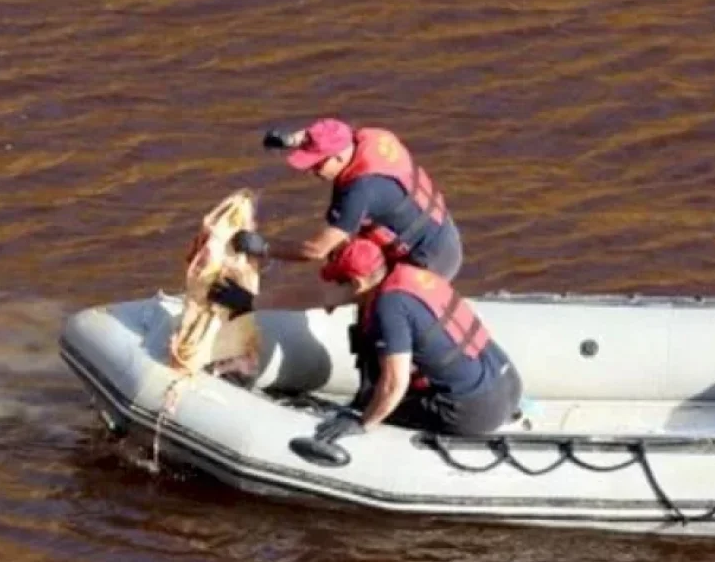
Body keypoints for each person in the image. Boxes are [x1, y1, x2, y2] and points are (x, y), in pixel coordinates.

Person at [207, 238, 522, 441]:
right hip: (507, 382)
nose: (330, 291)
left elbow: (394, 383)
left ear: (357, 283)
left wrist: (363, 422)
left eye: (337, 283)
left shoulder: (389, 308)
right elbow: (316, 296)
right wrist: (252, 302)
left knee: (371, 406)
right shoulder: (405, 274)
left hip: (473, 410)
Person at [234, 118, 464, 285]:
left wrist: (264, 247)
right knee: (345, 258)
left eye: (317, 163)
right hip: (440, 228)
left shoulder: (360, 192)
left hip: (431, 258)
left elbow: (316, 250)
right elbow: (331, 131)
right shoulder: (367, 137)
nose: (312, 170)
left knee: (374, 298)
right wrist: (292, 140)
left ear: (338, 157)